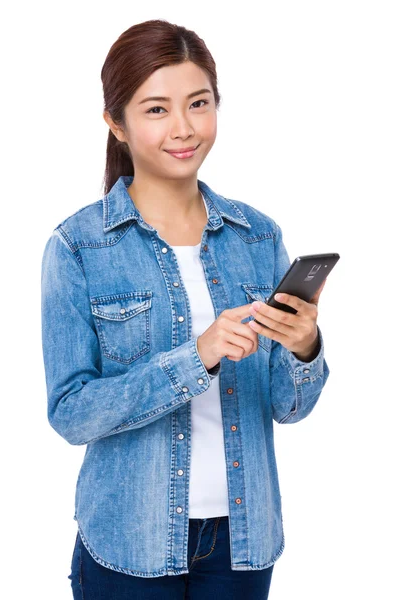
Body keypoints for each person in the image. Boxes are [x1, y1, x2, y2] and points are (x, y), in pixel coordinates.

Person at [40, 18, 330, 600]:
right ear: (114, 123)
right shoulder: (78, 247)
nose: (183, 128)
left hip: (244, 541)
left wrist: (304, 347)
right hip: (129, 540)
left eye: (199, 104)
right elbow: (71, 413)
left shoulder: (257, 236)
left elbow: (288, 408)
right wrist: (194, 358)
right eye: (155, 109)